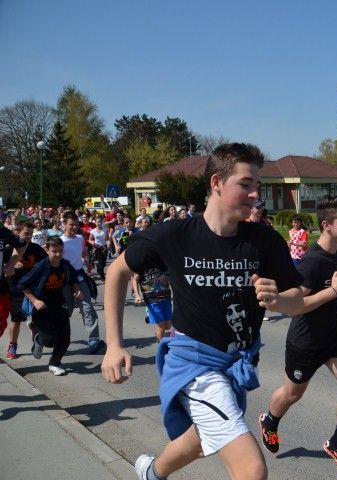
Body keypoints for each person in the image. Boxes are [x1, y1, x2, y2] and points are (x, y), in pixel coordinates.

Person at [101, 143, 305, 480]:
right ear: (216, 183)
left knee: (198, 441)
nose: (256, 194)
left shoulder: (265, 240)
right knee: (252, 470)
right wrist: (113, 344)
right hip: (195, 366)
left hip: (236, 363)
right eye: (246, 184)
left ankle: (152, 472)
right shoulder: (175, 234)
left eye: (258, 185)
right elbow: (116, 272)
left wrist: (278, 301)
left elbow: (297, 299)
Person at [259, 196, 337, 478]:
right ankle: (270, 421)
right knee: (292, 394)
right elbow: (294, 308)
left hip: (335, 336)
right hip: (306, 342)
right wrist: (333, 292)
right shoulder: (312, 262)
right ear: (326, 225)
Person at [18, 236, 82, 375]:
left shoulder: (65, 265)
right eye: (54, 251)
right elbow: (22, 285)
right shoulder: (40, 267)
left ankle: (54, 364)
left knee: (64, 338)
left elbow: (73, 279)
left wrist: (77, 290)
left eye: (60, 251)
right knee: (50, 340)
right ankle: (38, 338)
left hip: (60, 305)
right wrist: (35, 301)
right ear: (47, 250)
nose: (58, 254)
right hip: (42, 308)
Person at [60, 211, 104, 354]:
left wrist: (86, 261)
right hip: (65, 280)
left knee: (88, 308)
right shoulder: (60, 241)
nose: (74, 227)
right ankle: (54, 337)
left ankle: (94, 341)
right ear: (64, 224)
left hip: (79, 276)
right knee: (66, 311)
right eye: (71, 224)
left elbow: (83, 253)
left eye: (76, 225)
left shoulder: (80, 238)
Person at [6, 222, 45, 359]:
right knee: (16, 319)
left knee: (38, 316)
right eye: (26, 233)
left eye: (31, 234)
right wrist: (11, 265)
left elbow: (45, 265)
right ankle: (12, 344)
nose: (28, 236)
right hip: (16, 288)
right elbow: (3, 269)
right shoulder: (9, 249)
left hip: (34, 288)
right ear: (17, 233)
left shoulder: (36, 249)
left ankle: (35, 330)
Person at [132, 267, 172, 343]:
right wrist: (137, 295)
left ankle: (149, 314)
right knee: (161, 326)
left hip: (166, 295)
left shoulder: (161, 262)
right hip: (151, 298)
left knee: (168, 326)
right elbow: (135, 279)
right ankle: (161, 347)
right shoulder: (141, 264)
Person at [1, 223, 26, 342]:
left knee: (1, 322)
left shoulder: (2, 231)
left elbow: (22, 244)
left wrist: (10, 264)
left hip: (1, 288)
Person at [89, 214, 109, 281]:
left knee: (104, 263)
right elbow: (90, 240)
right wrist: (93, 243)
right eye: (98, 222)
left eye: (100, 222)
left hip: (104, 248)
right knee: (101, 262)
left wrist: (108, 242)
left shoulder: (105, 230)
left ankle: (98, 267)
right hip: (97, 248)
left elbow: (107, 239)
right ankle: (102, 277)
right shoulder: (93, 231)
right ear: (95, 222)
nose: (99, 223)